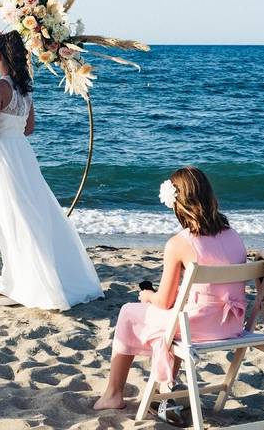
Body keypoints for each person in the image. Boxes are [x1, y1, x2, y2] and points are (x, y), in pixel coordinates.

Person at [94, 167, 248, 412]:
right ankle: (164, 391)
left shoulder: (180, 243)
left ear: (178, 203)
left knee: (129, 312)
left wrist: (147, 296)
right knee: (177, 316)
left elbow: (164, 301)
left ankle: (113, 394)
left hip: (197, 327)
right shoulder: (234, 236)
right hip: (231, 325)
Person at [0, 30, 103, 309]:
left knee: (10, 215)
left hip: (1, 157)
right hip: (21, 153)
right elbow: (29, 128)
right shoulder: (24, 89)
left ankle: (22, 280)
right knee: (31, 212)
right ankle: (29, 275)